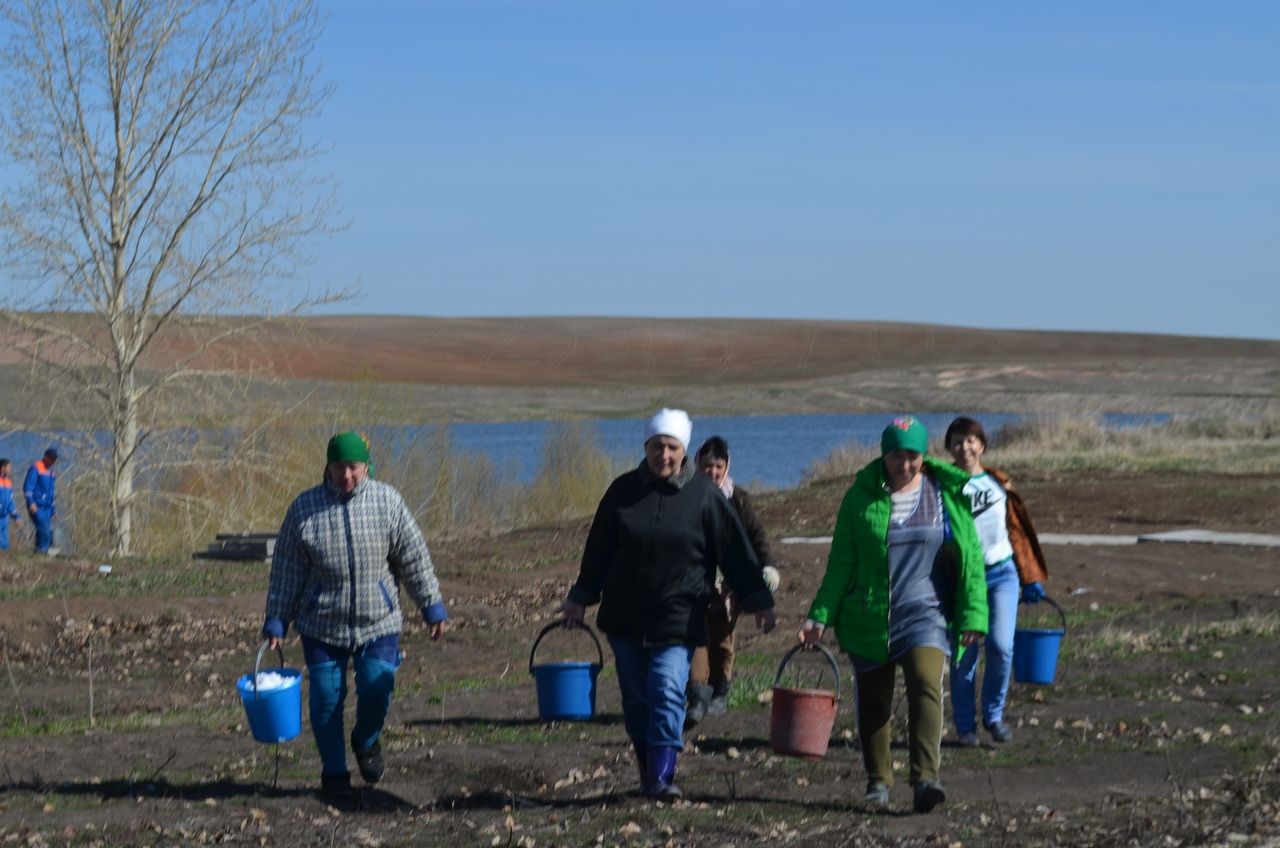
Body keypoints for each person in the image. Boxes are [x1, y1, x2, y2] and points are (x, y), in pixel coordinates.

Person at [561, 408, 777, 800]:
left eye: (672, 447)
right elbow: (598, 551)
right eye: (657, 446)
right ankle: (648, 776)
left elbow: (734, 551)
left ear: (684, 450)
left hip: (679, 613)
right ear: (646, 446)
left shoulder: (705, 496)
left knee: (665, 689)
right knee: (636, 698)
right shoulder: (622, 492)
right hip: (625, 614)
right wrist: (580, 597)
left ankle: (662, 779)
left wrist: (759, 598)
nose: (664, 455)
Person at [798, 416, 987, 814]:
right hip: (870, 613)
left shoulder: (945, 492)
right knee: (873, 701)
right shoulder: (860, 497)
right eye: (897, 456)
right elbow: (841, 563)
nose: (905, 465)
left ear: (923, 455)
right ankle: (878, 782)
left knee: (925, 681)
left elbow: (971, 559)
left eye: (913, 456)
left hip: (927, 612)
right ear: (884, 455)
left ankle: (925, 779)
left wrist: (973, 617)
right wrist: (819, 616)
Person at [262, 431, 449, 802]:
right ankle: (334, 773)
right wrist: (277, 620)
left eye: (353, 467)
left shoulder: (388, 502)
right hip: (322, 622)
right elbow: (287, 570)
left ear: (366, 466)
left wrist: (431, 606)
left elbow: (413, 557)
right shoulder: (305, 509)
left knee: (377, 689)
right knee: (326, 702)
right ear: (327, 467)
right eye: (338, 467)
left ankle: (365, 740)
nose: (346, 475)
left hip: (378, 620)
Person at [944, 416, 1049, 747]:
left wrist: (1029, 577)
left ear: (982, 446)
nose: (965, 447)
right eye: (958, 441)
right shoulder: (942, 486)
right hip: (961, 581)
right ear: (948, 448)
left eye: (971, 440)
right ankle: (965, 727)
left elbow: (1016, 532)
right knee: (964, 655)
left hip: (1002, 573)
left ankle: (993, 715)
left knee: (1002, 647)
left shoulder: (998, 482)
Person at [685, 436, 781, 727]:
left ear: (726, 466)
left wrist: (768, 567)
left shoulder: (738, 499)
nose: (712, 472)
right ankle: (698, 694)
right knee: (696, 634)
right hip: (695, 581)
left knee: (723, 637)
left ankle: (720, 689)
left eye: (718, 466)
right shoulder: (685, 496)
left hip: (730, 583)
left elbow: (756, 536)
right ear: (696, 463)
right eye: (707, 465)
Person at [23, 447, 58, 554]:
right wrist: (31, 503)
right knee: (44, 530)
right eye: (52, 458)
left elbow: (51, 494)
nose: (53, 461)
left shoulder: (51, 472)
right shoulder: (36, 468)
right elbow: (28, 487)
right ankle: (42, 552)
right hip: (36, 506)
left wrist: (53, 511)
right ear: (46, 457)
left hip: (47, 508)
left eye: (54, 459)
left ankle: (39, 553)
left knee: (45, 531)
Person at [0, 459, 21, 551]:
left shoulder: (8, 482)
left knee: (5, 540)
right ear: (3, 468)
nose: (10, 469)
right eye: (9, 467)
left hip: (4, 516)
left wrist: (16, 516)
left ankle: (5, 557)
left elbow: (10, 502)